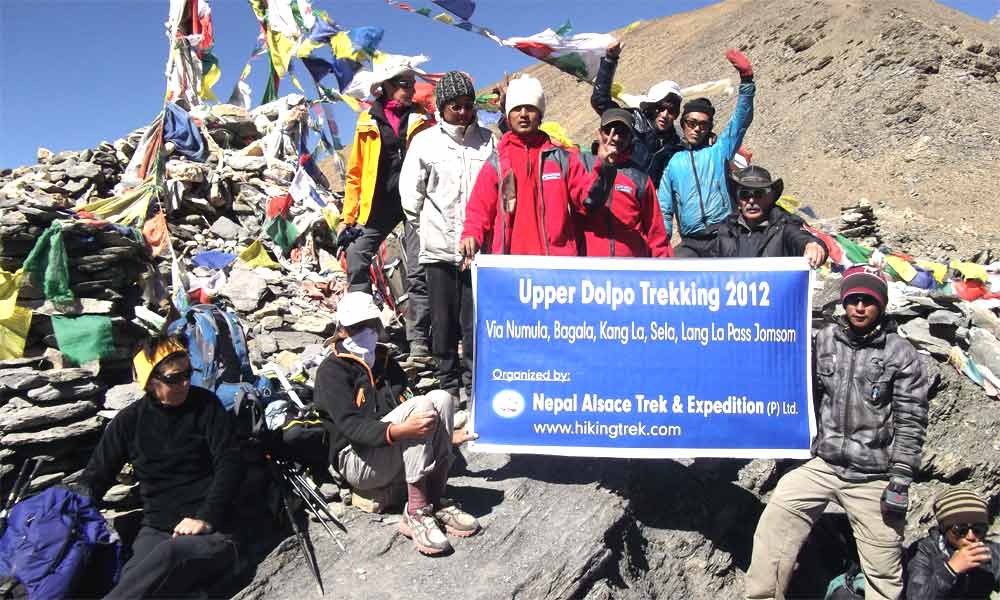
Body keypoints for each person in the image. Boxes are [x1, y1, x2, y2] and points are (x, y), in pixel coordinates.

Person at [746, 266, 930, 600]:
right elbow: (796, 386)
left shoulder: (901, 354)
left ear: (882, 305)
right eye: (853, 299)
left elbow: (911, 420)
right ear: (844, 302)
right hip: (824, 464)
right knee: (776, 521)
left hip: (874, 475)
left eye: (869, 301)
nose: (860, 307)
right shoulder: (825, 339)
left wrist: (900, 481)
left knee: (884, 568)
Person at [314, 291, 479, 555]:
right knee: (422, 407)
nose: (366, 332)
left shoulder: (385, 360)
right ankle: (415, 512)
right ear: (342, 331)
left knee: (442, 398)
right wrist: (400, 430)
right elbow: (351, 427)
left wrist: (449, 436)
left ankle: (434, 500)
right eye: (357, 328)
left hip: (390, 450)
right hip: (357, 460)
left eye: (370, 325)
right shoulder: (331, 371)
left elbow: (409, 398)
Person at [78, 336, 242, 599]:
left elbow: (230, 465)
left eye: (188, 374)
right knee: (133, 577)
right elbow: (97, 475)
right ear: (150, 381)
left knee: (167, 559)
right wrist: (69, 512)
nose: (186, 383)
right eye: (174, 378)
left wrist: (205, 517)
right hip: (156, 529)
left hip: (214, 532)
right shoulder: (129, 422)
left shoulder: (206, 406)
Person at [401, 71, 496, 404]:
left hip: (480, 252)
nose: (464, 112)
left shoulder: (489, 141)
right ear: (442, 107)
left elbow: (498, 190)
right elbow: (410, 197)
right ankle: (448, 389)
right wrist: (428, 230)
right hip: (439, 249)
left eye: (469, 105)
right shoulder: (424, 143)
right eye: (456, 106)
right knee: (443, 324)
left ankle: (474, 387)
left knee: (474, 322)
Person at [339, 56, 433, 359]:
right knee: (356, 256)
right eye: (403, 84)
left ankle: (418, 339)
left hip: (414, 203)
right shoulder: (367, 121)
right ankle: (366, 332)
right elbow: (355, 172)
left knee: (418, 270)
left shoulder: (423, 118)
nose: (410, 89)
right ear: (386, 87)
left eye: (411, 83)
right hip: (376, 203)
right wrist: (347, 217)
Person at [460, 74, 596, 262]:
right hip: (510, 267)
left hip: (556, 266)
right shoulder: (497, 162)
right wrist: (471, 234)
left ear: (540, 115)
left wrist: (604, 171)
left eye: (530, 108)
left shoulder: (562, 159)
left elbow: (588, 200)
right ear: (508, 116)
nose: (523, 114)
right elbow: (479, 208)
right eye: (516, 109)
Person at [659, 49, 756, 257]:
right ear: (683, 124)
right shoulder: (672, 162)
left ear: (710, 126)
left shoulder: (720, 149)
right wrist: (662, 246)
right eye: (691, 123)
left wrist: (747, 81)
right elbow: (664, 208)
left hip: (725, 233)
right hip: (691, 241)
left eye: (703, 124)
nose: (696, 129)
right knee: (674, 276)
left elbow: (741, 121)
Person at [590, 40, 683, 186]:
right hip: (619, 192)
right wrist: (610, 60)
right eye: (660, 108)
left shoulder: (675, 143)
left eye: (671, 111)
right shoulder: (629, 121)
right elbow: (600, 100)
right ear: (651, 106)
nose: (664, 115)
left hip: (650, 200)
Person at [581, 108, 672, 257]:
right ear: (599, 132)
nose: (615, 137)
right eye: (609, 130)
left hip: (631, 272)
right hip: (590, 269)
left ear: (631, 137)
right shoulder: (581, 165)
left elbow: (656, 234)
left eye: (622, 133)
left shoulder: (640, 178)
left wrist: (665, 270)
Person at [708, 165, 827, 266]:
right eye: (744, 195)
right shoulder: (726, 228)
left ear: (771, 198)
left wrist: (813, 246)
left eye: (758, 194)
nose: (751, 201)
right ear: (738, 200)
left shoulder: (785, 225)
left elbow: (800, 237)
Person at [906, 487, 1000, 599]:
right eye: (961, 530)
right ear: (945, 529)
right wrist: (951, 569)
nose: (971, 536)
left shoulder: (992, 551)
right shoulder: (924, 550)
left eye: (978, 529)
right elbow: (916, 596)